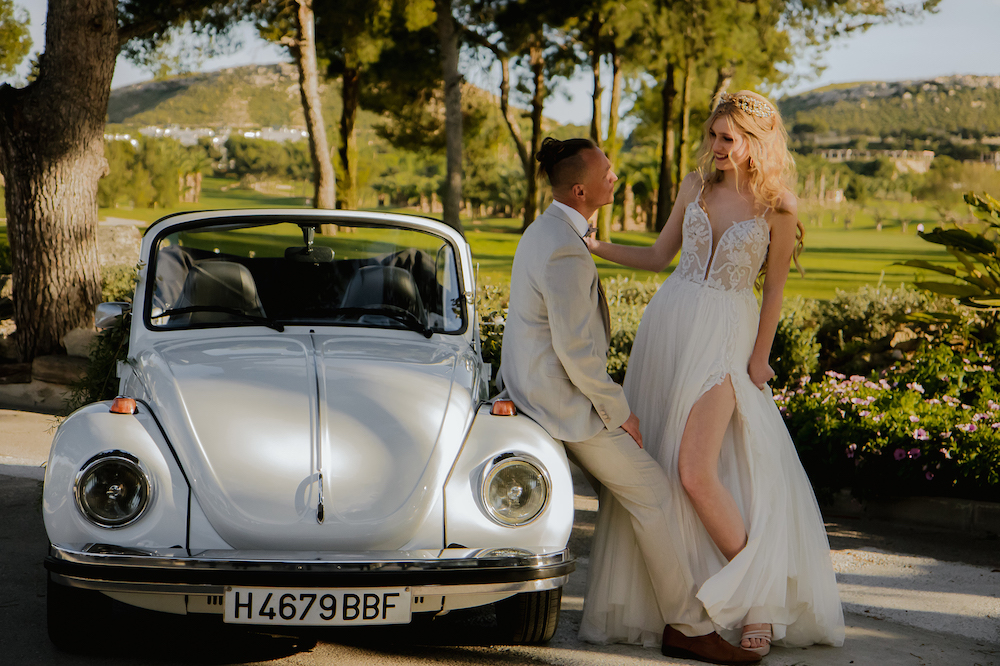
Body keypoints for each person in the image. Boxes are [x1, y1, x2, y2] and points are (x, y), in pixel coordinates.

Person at [579, 91, 846, 659]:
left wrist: (760, 357)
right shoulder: (693, 188)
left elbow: (773, 291)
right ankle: (680, 606)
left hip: (728, 333)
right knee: (662, 467)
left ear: (756, 142)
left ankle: (759, 603)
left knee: (695, 470)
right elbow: (658, 258)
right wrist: (596, 245)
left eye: (729, 138)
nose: (717, 147)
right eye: (714, 136)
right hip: (669, 327)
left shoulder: (779, 206)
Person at [497, 137, 762, 664]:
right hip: (566, 406)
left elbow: (530, 328)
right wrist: (622, 413)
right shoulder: (564, 249)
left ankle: (655, 611)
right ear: (581, 189)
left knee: (639, 497)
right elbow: (576, 353)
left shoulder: (544, 230)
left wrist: (511, 389)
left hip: (538, 393)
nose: (615, 176)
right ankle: (687, 627)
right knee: (656, 495)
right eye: (607, 170)